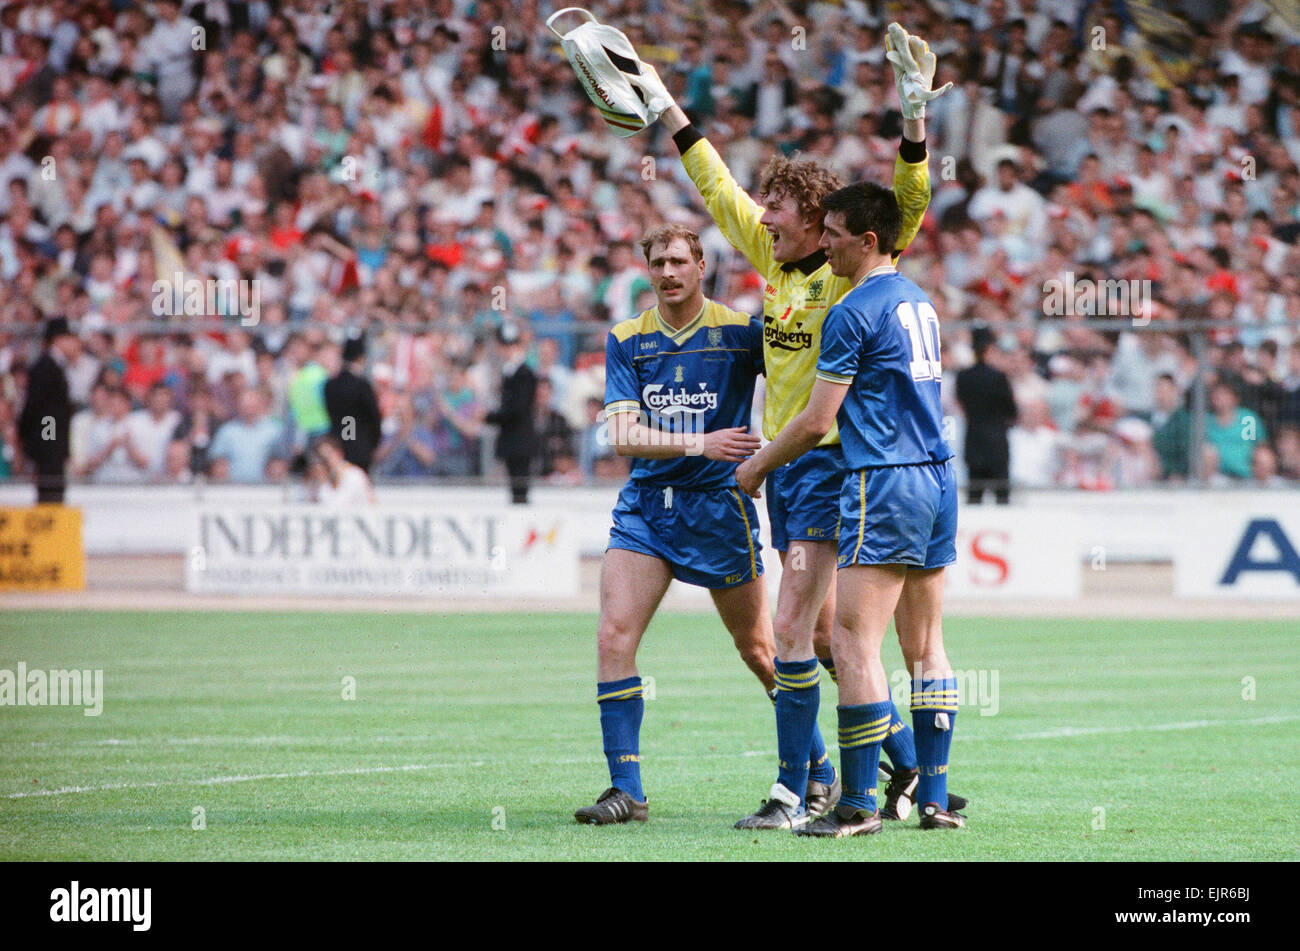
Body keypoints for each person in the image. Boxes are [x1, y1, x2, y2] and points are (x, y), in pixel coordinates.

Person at [648, 22, 954, 827]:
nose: (763, 219)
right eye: (767, 210)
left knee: (795, 627)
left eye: (777, 209)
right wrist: (664, 104)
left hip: (830, 460)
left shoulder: (851, 276)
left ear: (822, 223)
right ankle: (918, 775)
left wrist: (914, 124)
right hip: (790, 467)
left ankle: (800, 788)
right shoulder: (774, 260)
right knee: (820, 639)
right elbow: (716, 186)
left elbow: (908, 200)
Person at [736, 182, 964, 836]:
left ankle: (857, 804)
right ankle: (936, 797)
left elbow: (815, 420)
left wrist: (756, 465)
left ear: (867, 240)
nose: (824, 243)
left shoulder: (850, 310)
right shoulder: (919, 301)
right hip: (938, 479)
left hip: (883, 481)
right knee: (927, 646)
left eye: (833, 233)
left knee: (850, 641)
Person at [573, 225, 775, 826]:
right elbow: (621, 435)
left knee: (760, 650)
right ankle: (626, 789)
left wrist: (772, 458)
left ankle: (815, 769)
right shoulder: (627, 339)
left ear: (702, 265)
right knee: (614, 637)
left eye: (678, 261)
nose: (668, 272)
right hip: (646, 506)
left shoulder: (742, 334)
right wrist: (700, 442)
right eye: (658, 262)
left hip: (719, 507)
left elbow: (797, 382)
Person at [956, 325, 1018, 503]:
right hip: (997, 442)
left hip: (973, 440)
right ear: (989, 348)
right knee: (1002, 496)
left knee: (974, 496)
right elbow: (1010, 410)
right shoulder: (998, 377)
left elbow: (961, 402)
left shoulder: (963, 377)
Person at [19, 317, 77, 503]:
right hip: (49, 446)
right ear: (58, 339)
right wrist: (50, 442)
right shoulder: (45, 367)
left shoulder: (52, 366)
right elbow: (42, 411)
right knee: (50, 492)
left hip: (52, 443)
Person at [483, 324, 536, 504]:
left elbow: (517, 409)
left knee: (520, 486)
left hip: (519, 440)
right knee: (515, 487)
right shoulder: (512, 372)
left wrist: (488, 417)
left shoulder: (524, 374)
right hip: (513, 440)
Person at [324, 333, 382, 472]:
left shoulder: (330, 385)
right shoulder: (362, 386)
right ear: (360, 357)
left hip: (337, 448)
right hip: (361, 449)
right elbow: (375, 418)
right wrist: (372, 444)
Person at [313, 434, 375, 506]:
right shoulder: (331, 476)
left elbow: (336, 507)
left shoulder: (352, 475)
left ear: (339, 453)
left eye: (328, 457)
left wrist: (323, 482)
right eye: (321, 459)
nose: (325, 463)